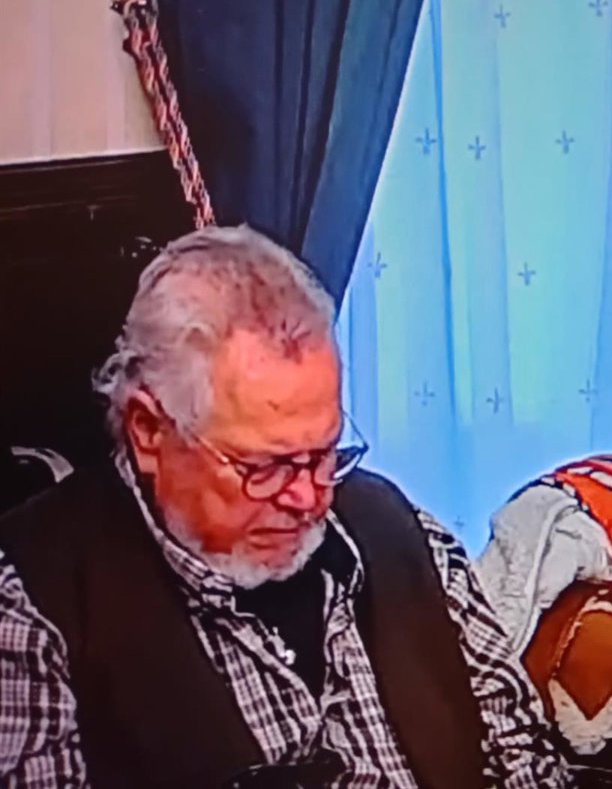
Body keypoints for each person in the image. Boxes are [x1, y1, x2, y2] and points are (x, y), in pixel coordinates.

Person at [0, 225, 570, 789]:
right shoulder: (33, 605)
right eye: (264, 467)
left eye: (323, 454)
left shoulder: (398, 530)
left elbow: (527, 764)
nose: (308, 498)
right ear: (149, 431)